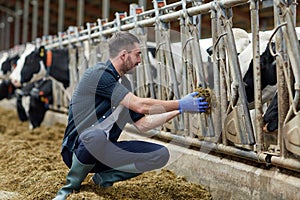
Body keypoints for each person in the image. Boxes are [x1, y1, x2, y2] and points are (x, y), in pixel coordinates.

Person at [53, 31, 208, 199]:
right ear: (124, 55)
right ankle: (70, 187)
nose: (140, 60)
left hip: (103, 152)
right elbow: (140, 106)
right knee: (96, 136)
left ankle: (104, 178)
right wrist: (179, 102)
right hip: (77, 151)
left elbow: (144, 124)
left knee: (160, 154)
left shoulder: (123, 85)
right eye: (138, 54)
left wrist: (180, 110)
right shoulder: (98, 75)